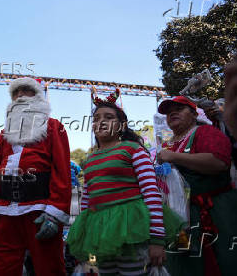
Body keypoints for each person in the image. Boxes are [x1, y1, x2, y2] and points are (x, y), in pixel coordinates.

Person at [67, 89, 181, 276]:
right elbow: (86, 203)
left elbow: (151, 194)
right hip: (100, 233)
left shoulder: (133, 150)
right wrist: (84, 241)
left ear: (121, 125)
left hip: (132, 230)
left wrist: (157, 240)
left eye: (109, 117)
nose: (101, 121)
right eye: (96, 118)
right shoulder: (90, 159)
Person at [0, 77, 71, 276]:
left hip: (41, 211)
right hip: (5, 213)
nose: (20, 95)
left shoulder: (54, 127)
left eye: (26, 90)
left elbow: (61, 171)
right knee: (2, 270)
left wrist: (55, 214)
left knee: (50, 268)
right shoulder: (4, 135)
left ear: (38, 96)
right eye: (16, 92)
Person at [157, 96, 237, 276]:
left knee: (219, 263)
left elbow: (218, 162)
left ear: (194, 114)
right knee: (183, 266)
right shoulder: (166, 145)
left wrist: (174, 157)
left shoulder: (205, 132)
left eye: (179, 108)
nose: (173, 113)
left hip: (214, 213)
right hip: (179, 221)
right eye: (169, 111)